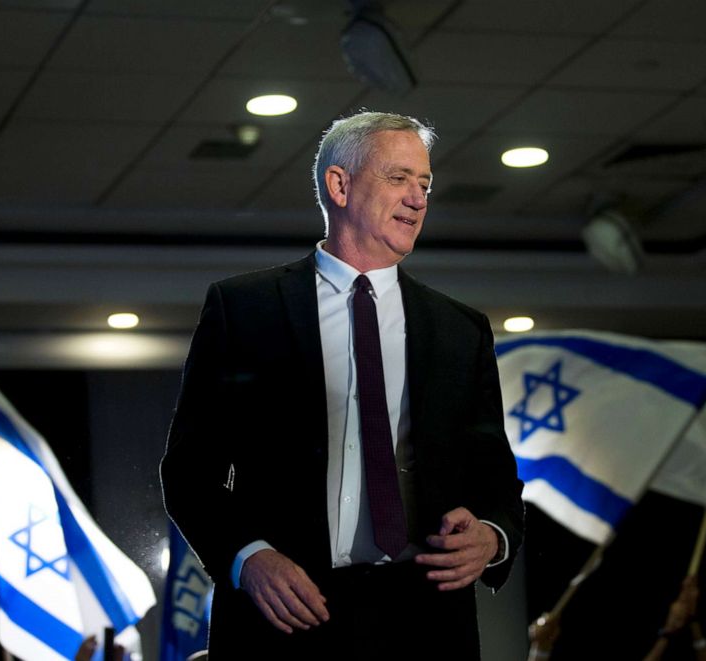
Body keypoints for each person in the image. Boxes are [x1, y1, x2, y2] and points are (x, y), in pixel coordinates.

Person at [160, 111, 525, 660]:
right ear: (339, 184)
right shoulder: (245, 310)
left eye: (425, 184)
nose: (419, 198)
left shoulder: (459, 328)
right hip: (286, 614)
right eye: (399, 178)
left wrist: (492, 537)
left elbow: (495, 475)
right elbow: (190, 470)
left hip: (426, 620)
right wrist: (248, 557)